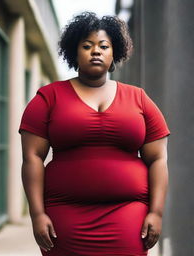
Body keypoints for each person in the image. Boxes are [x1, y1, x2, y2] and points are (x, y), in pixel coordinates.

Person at [18, 12, 170, 256]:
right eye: (86, 46)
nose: (96, 51)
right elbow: (32, 158)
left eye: (104, 46)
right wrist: (37, 214)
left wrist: (156, 212)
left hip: (128, 217)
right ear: (74, 53)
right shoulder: (48, 97)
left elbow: (158, 159)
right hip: (64, 218)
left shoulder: (139, 98)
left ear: (114, 54)